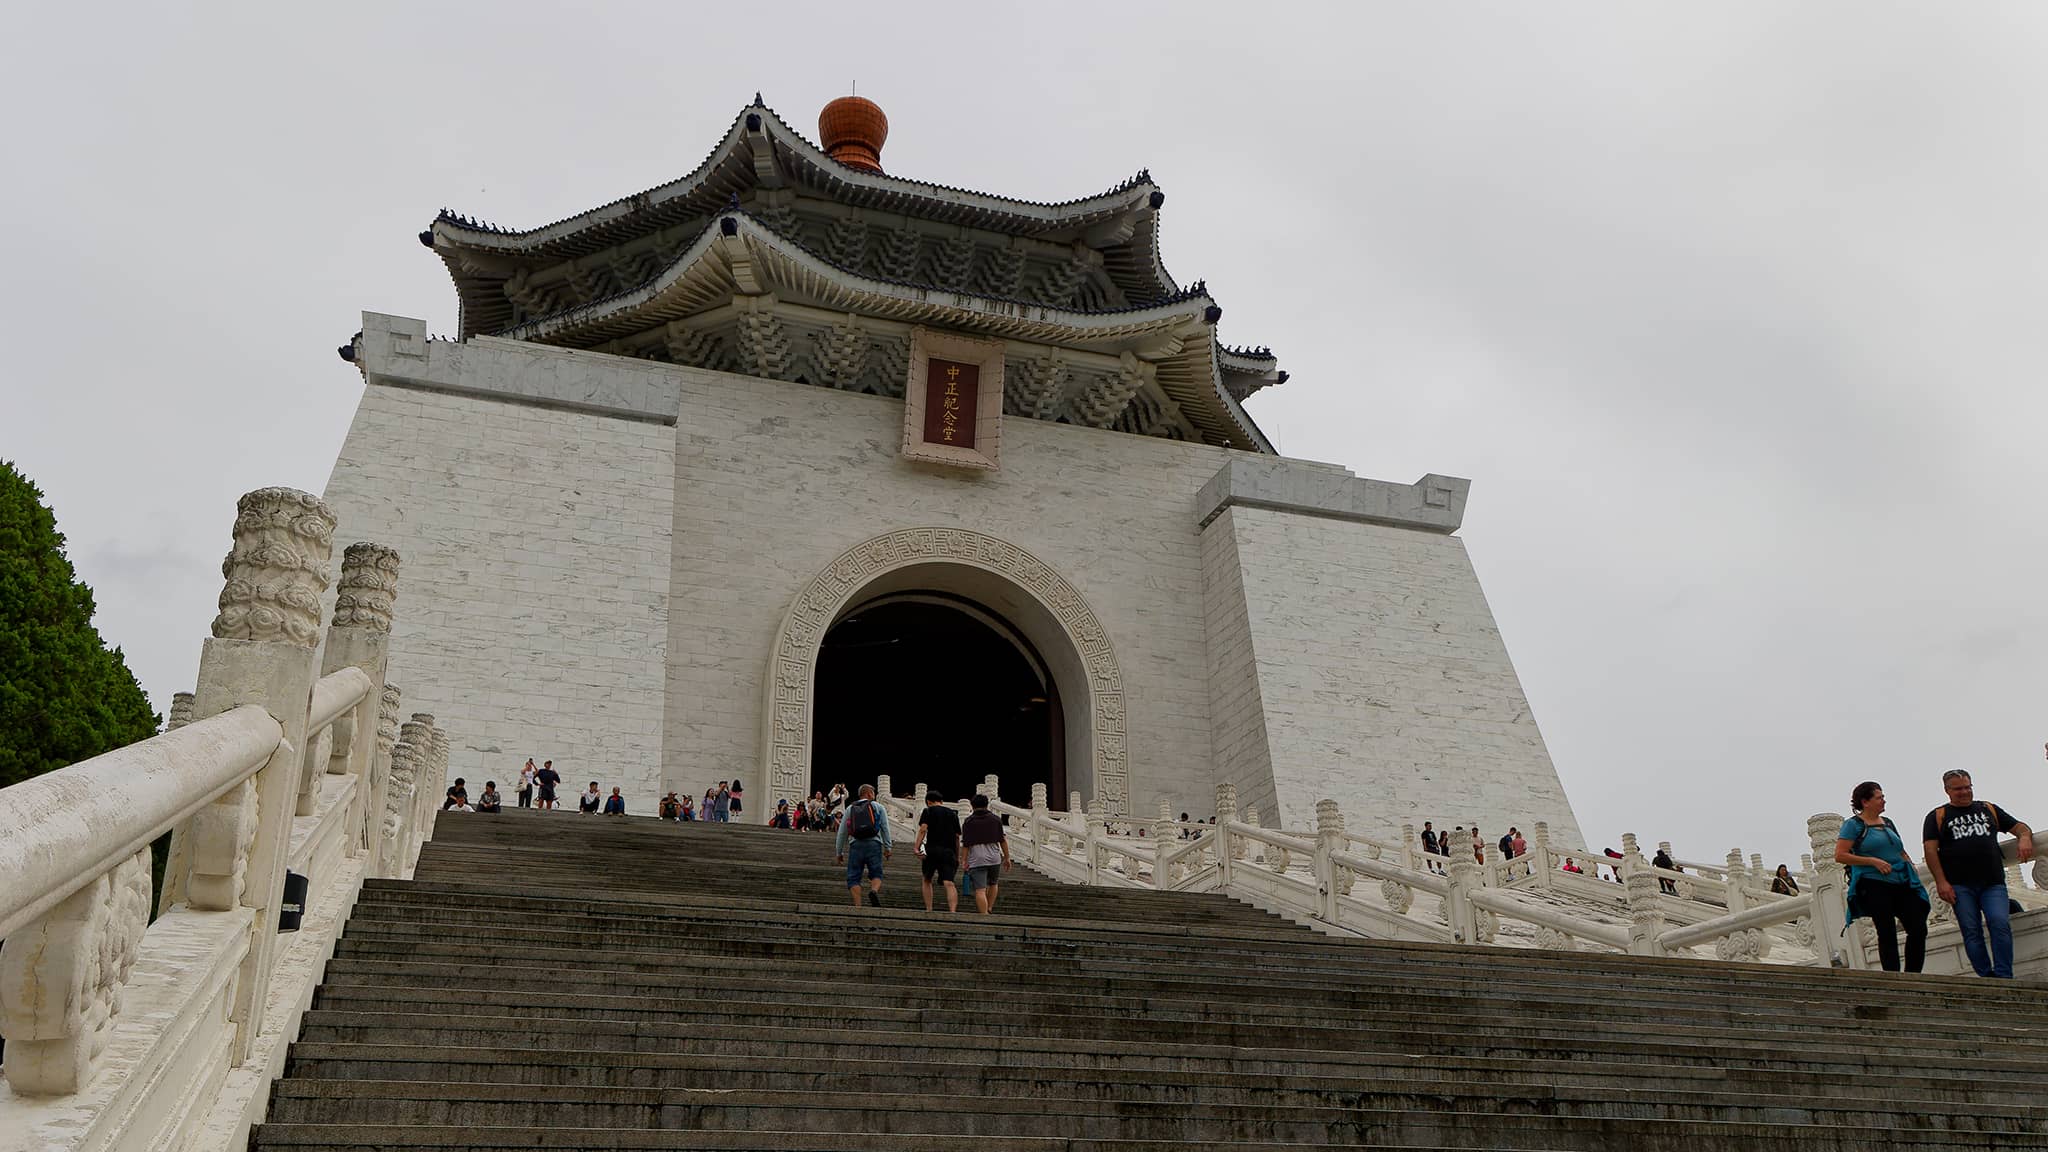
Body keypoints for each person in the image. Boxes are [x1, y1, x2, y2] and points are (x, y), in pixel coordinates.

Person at [1923, 769, 2034, 979]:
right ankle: (1986, 976)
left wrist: (2025, 838)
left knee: (1999, 923)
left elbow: (2020, 827)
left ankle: (2003, 976)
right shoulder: (1937, 816)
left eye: (1968, 787)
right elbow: (1930, 851)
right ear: (1947, 790)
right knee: (1971, 930)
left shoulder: (1987, 809)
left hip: (1992, 882)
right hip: (1959, 885)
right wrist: (1941, 882)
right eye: (1958, 789)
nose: (1964, 792)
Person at [1837, 781, 1930, 973]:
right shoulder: (1853, 825)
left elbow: (1899, 849)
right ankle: (1892, 977)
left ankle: (1913, 975)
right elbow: (1840, 855)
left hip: (1901, 881)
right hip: (1873, 883)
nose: (1883, 801)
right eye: (1879, 798)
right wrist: (1872, 861)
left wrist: (1909, 864)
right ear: (1865, 802)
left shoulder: (1887, 823)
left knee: (1918, 927)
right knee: (1886, 930)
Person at [835, 784, 891, 907]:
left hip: (856, 844)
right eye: (873, 793)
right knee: (876, 873)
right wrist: (888, 847)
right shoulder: (878, 807)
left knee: (854, 876)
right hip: (874, 844)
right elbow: (885, 828)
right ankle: (874, 891)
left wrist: (839, 852)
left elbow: (842, 832)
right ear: (869, 793)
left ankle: (858, 906)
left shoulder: (850, 808)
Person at [961, 793, 1012, 915]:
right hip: (994, 858)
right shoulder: (996, 820)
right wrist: (1007, 858)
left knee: (980, 890)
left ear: (972, 806)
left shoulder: (968, 821)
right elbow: (1002, 840)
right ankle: (989, 908)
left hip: (977, 859)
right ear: (987, 804)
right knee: (993, 884)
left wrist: (964, 860)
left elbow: (966, 844)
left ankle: (984, 914)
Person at [915, 790, 963, 913]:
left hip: (931, 849)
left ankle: (929, 909)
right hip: (949, 851)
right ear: (941, 801)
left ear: (928, 802)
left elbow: (923, 829)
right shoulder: (953, 814)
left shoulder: (928, 811)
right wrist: (957, 855)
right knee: (949, 882)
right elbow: (957, 837)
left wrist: (916, 847)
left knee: (927, 879)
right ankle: (952, 911)